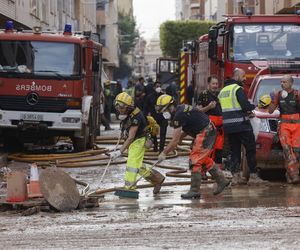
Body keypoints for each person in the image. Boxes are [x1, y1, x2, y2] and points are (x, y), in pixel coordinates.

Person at [156, 94, 230, 199]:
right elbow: (187, 127)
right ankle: (222, 180)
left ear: (171, 106)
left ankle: (194, 190)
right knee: (203, 159)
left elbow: (174, 140)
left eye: (164, 110)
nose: (164, 113)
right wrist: (179, 141)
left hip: (206, 131)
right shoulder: (181, 109)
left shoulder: (178, 115)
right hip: (208, 129)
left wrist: (164, 153)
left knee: (195, 159)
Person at [109, 92, 165, 195]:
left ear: (128, 107)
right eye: (117, 106)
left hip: (139, 140)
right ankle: (157, 179)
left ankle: (130, 187)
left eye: (121, 107)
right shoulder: (127, 113)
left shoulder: (136, 116)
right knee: (138, 166)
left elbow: (131, 137)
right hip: (135, 140)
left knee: (132, 164)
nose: (118, 109)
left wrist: (119, 152)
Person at [218, 68, 264, 185]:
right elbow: (245, 106)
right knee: (250, 149)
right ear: (237, 76)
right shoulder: (237, 89)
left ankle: (235, 177)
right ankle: (253, 176)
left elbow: (222, 109)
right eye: (243, 76)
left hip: (229, 126)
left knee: (235, 151)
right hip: (241, 124)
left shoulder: (223, 91)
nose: (245, 79)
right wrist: (254, 106)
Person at [267, 75, 300, 184]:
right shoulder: (278, 95)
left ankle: (290, 173)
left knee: (297, 151)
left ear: (291, 83)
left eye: (284, 82)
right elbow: (270, 111)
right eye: (281, 82)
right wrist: (269, 101)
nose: (282, 84)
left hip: (297, 127)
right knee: (287, 150)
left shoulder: (297, 94)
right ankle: (294, 175)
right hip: (284, 126)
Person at [197, 76, 224, 170]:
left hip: (220, 128)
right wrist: (208, 107)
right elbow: (198, 111)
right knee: (206, 150)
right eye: (213, 83)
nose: (215, 86)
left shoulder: (221, 94)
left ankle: (217, 173)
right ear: (208, 84)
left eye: (216, 84)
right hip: (208, 127)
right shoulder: (203, 95)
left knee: (219, 150)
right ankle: (203, 171)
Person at [143, 81, 168, 152]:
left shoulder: (164, 96)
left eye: (160, 86)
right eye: (157, 86)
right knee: (153, 134)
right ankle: (155, 146)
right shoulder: (149, 97)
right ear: (154, 87)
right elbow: (145, 108)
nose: (158, 88)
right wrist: (146, 118)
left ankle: (161, 150)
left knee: (163, 134)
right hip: (153, 119)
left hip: (163, 118)